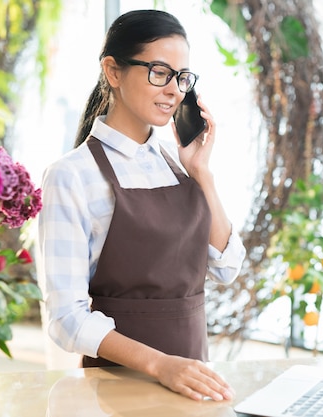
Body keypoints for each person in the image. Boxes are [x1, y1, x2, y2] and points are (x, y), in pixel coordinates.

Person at [38, 9, 246, 402]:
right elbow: (66, 319)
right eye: (158, 72)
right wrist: (161, 365)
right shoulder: (71, 175)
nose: (174, 90)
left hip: (192, 382)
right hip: (117, 391)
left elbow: (227, 266)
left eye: (181, 77)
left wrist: (202, 173)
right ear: (113, 72)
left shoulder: (180, 164)